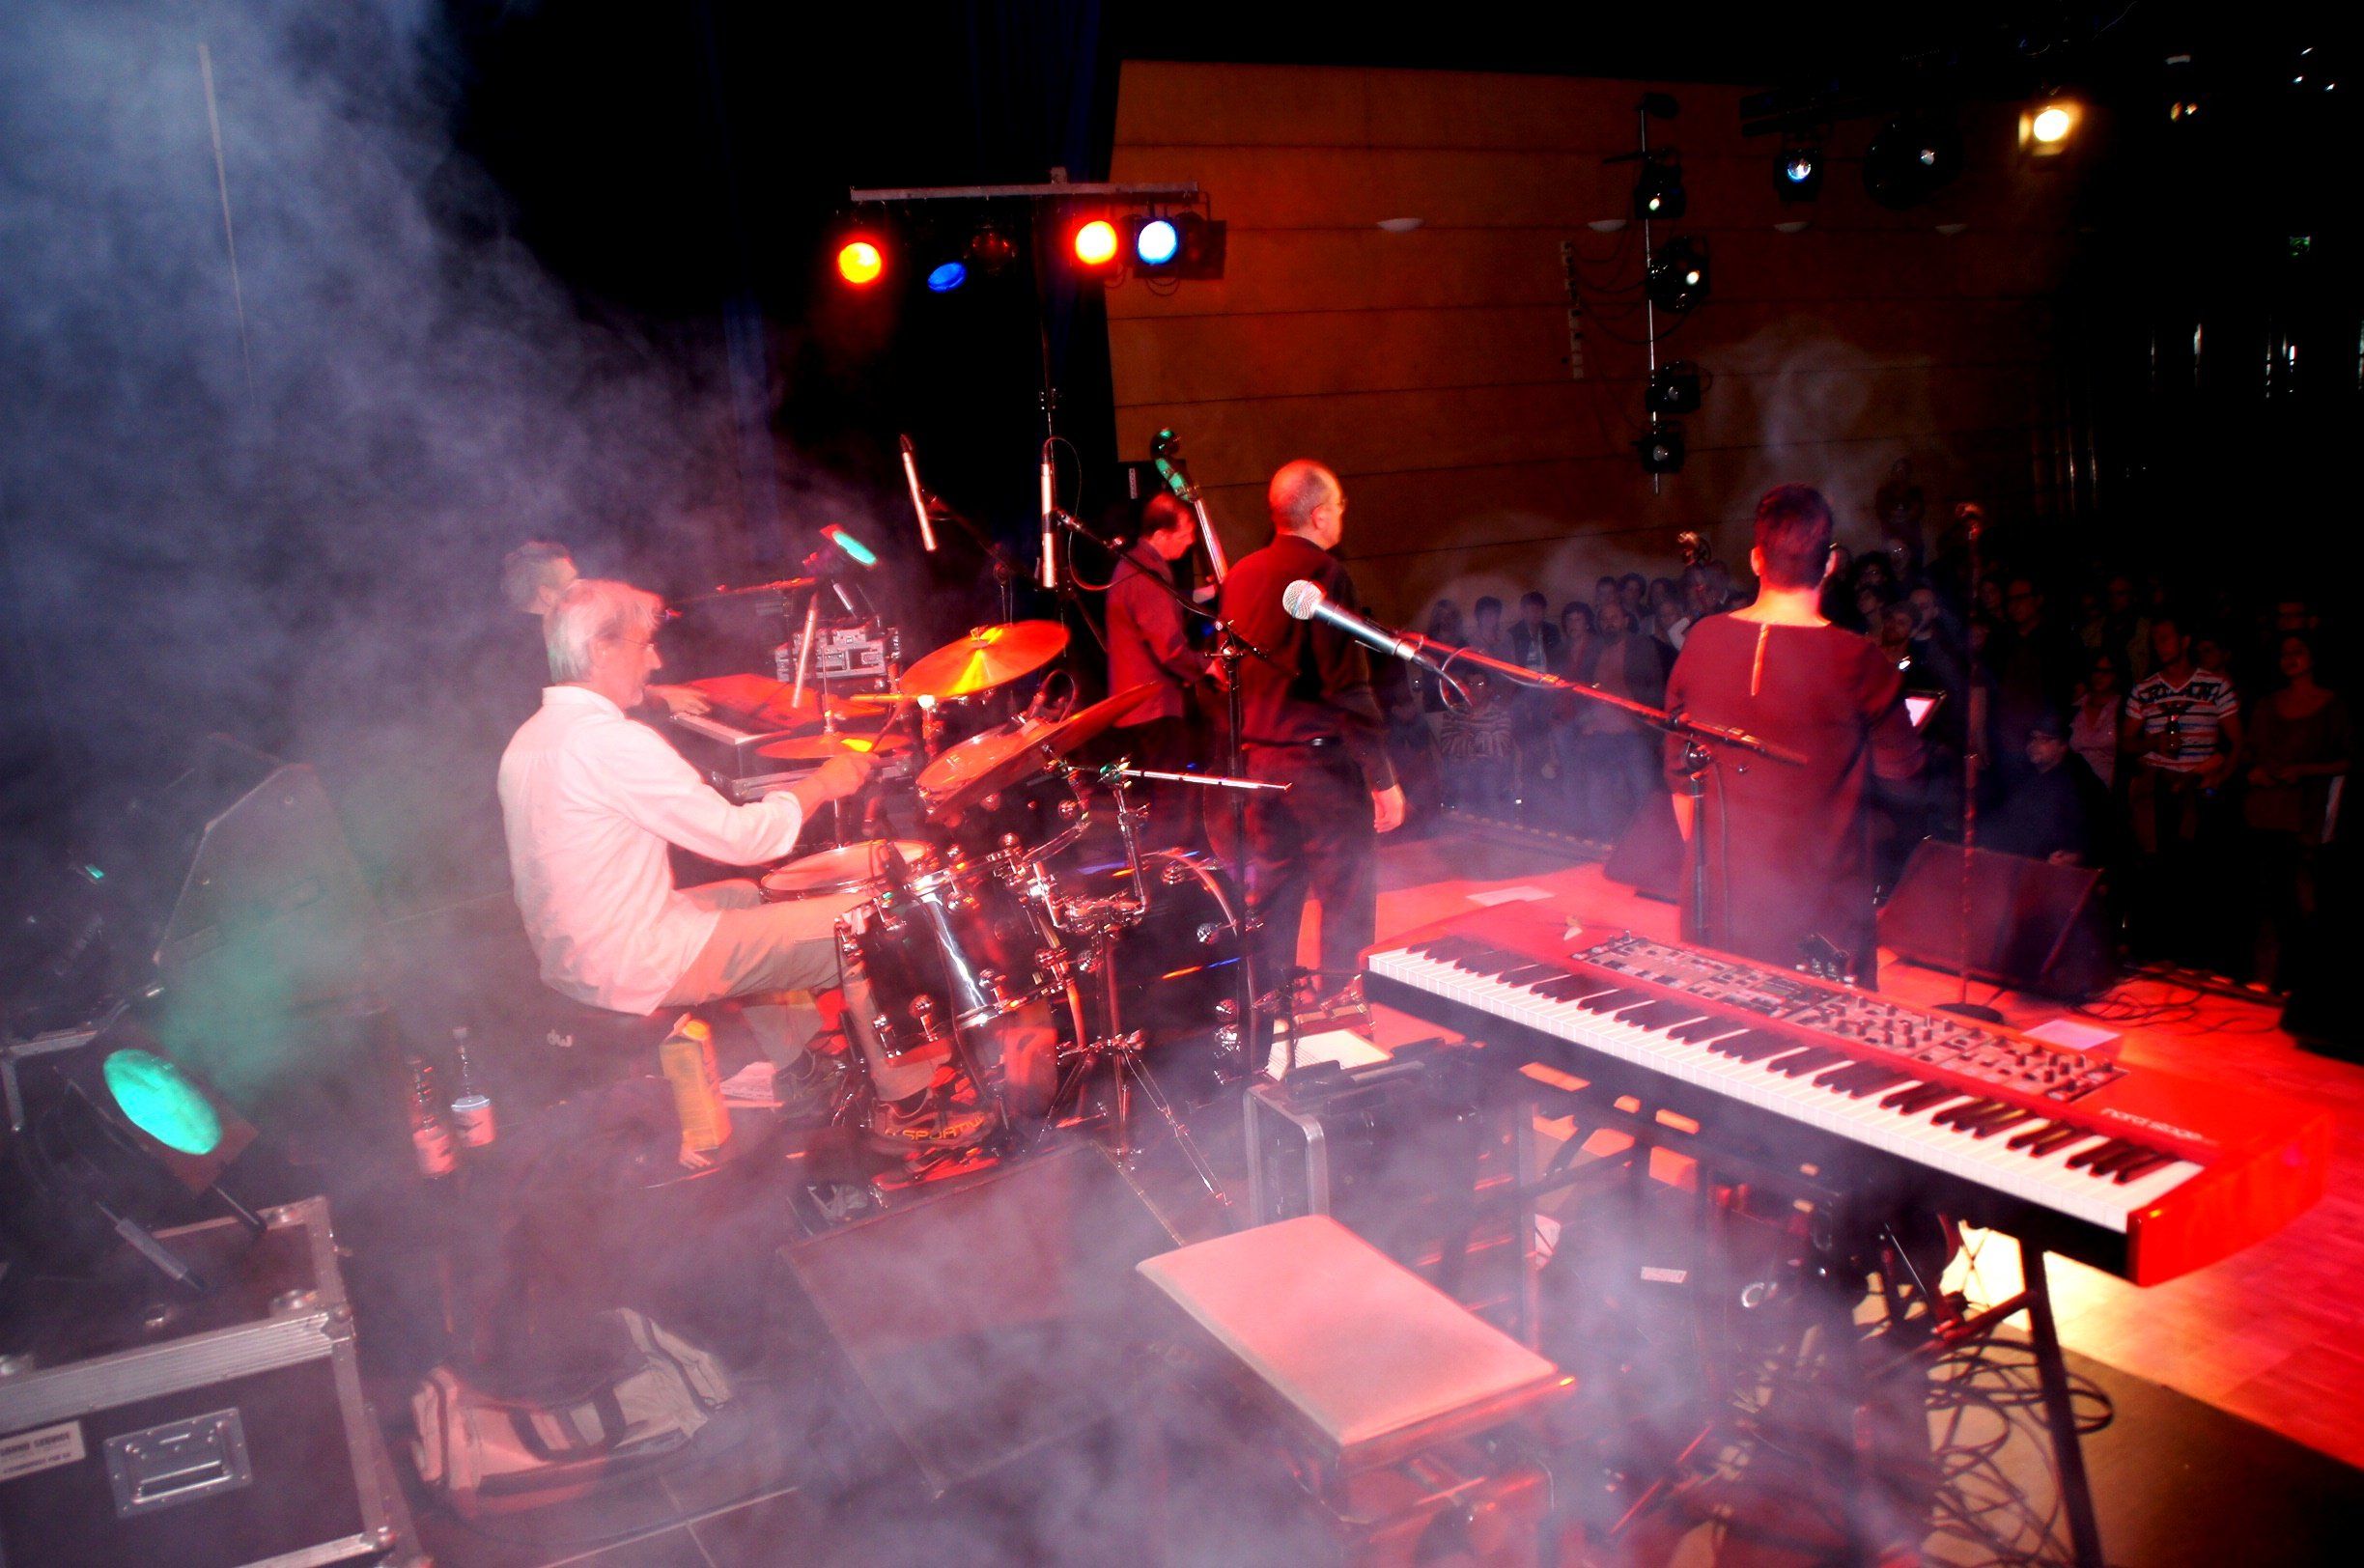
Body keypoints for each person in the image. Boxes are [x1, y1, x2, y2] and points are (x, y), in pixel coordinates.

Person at [498, 579, 876, 1118]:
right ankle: (909, 1107)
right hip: (631, 961)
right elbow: (744, 839)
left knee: (746, 895)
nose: (655, 661)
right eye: (644, 645)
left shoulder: (530, 738)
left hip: (575, 953)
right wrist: (822, 784)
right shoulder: (610, 741)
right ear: (601, 650)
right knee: (865, 923)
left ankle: (802, 1069)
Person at [1661, 485, 1922, 981]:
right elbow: (1905, 776)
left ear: (1756, 560)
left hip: (1720, 907)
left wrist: (1720, 871)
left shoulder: (1703, 640)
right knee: (1821, 1030)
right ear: (1830, 565)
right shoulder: (1858, 659)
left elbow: (1681, 785)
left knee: (1721, 1025)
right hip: (1818, 913)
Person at [1217, 461, 1406, 1004]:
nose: (1343, 515)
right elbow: (1346, 685)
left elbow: (1225, 676)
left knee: (1274, 893)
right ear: (1320, 515)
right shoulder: (1325, 573)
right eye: (1340, 506)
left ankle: (1267, 1001)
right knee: (1346, 890)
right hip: (1319, 767)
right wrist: (1382, 776)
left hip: (1259, 764)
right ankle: (1339, 1003)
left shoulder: (1241, 575)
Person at [2121, 612, 2242, 965]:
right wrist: (2154, 742)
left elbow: (2237, 741)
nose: (2159, 645)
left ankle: (2194, 957)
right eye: (2155, 639)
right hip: (2158, 789)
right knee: (2156, 872)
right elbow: (2126, 743)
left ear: (2184, 641)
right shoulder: (2145, 689)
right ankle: (2154, 954)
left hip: (2198, 788)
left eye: (2166, 638)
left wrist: (2220, 777)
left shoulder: (2216, 685)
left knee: (2196, 874)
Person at [1104, 492, 1214, 850]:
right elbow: (1169, 648)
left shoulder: (1138, 565)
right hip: (1152, 705)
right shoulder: (1146, 573)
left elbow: (1166, 606)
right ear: (1161, 534)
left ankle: (1166, 865)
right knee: (1173, 798)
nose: (1191, 541)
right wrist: (1208, 667)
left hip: (1144, 705)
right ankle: (1167, 870)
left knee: (1169, 796)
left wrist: (1205, 593)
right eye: (1185, 534)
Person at [2243, 632, 2350, 991]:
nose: (2289, 658)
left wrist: (2305, 770)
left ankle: (2304, 982)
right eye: (2284, 653)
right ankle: (2268, 979)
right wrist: (2253, 770)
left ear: (2313, 656)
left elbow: (2347, 759)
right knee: (2267, 898)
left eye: (2298, 651)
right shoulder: (2267, 704)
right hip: (2264, 811)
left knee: (2303, 899)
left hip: (2305, 814)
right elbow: (2249, 751)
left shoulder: (2331, 706)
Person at [500, 541, 708, 724]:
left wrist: (647, 693)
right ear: (547, 595)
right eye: (572, 583)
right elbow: (584, 713)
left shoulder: (511, 643)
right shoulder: (539, 651)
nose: (582, 587)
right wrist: (658, 704)